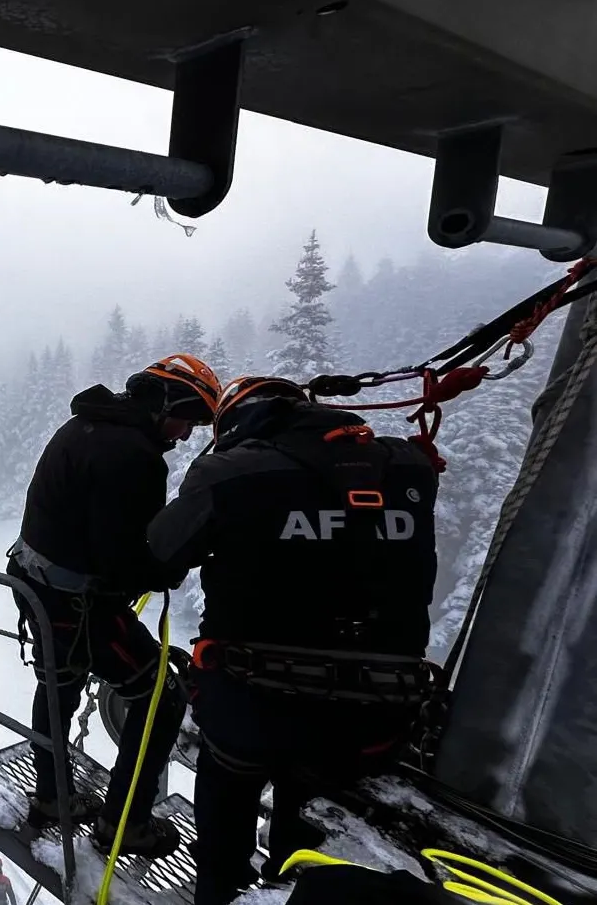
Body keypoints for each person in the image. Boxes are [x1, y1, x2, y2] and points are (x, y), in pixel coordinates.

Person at [147, 376, 441, 905]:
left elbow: (161, 553)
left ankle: (220, 891)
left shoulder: (229, 472)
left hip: (252, 702)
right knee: (307, 830)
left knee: (225, 818)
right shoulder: (408, 465)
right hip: (378, 710)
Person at [6, 355, 221, 857]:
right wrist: (172, 565)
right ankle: (125, 826)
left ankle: (53, 796)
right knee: (162, 699)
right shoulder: (133, 455)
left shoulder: (87, 424)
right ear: (165, 404)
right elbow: (124, 560)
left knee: (59, 683)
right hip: (75, 603)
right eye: (187, 420)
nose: (186, 435)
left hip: (36, 582)